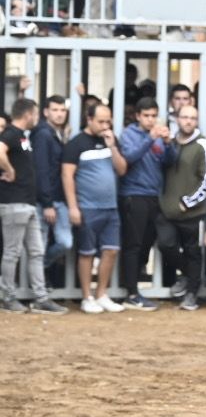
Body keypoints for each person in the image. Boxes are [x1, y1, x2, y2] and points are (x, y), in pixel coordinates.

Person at [0, 98, 66, 314]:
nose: (36, 118)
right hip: (14, 202)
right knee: (12, 252)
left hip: (26, 202)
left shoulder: (21, 136)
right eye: (35, 114)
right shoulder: (10, 133)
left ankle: (40, 297)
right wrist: (9, 170)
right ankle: (8, 297)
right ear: (28, 114)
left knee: (36, 251)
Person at [62, 103, 129, 313]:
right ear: (88, 119)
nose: (105, 125)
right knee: (87, 253)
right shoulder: (76, 144)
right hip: (88, 207)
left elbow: (122, 170)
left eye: (108, 121)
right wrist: (73, 207)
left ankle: (101, 294)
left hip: (110, 207)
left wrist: (112, 147)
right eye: (100, 121)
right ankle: (86, 296)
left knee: (111, 251)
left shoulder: (110, 140)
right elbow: (67, 176)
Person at [157, 103, 206, 311]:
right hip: (167, 209)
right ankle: (188, 276)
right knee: (166, 244)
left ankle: (192, 293)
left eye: (192, 117)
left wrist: (188, 202)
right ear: (177, 119)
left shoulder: (203, 145)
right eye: (184, 117)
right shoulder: (170, 143)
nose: (188, 121)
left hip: (192, 212)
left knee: (193, 252)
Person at [115, 97, 171, 311]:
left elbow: (169, 162)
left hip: (153, 196)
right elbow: (129, 157)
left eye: (153, 116)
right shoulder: (129, 134)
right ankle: (130, 292)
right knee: (133, 245)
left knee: (146, 245)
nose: (150, 120)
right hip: (134, 194)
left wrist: (168, 144)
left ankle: (133, 288)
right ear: (138, 116)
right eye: (146, 116)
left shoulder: (157, 137)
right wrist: (150, 138)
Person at [33, 95, 72, 275]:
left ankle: (41, 271)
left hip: (58, 199)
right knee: (38, 247)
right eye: (55, 110)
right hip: (45, 201)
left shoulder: (55, 134)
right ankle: (37, 287)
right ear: (46, 112)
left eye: (62, 110)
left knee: (65, 242)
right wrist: (47, 203)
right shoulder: (42, 134)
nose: (59, 114)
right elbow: (42, 170)